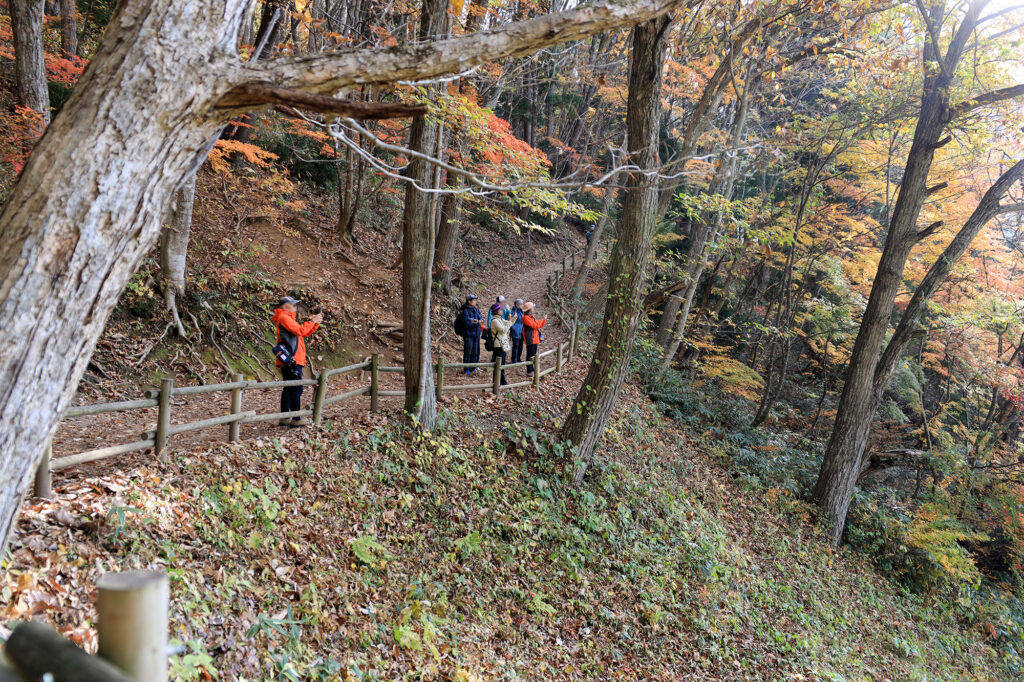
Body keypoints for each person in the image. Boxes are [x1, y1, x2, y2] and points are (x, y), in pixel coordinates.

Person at [271, 296, 322, 427]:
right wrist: (312, 321)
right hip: (291, 360)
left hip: (293, 359)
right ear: (284, 306)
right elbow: (301, 330)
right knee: (295, 388)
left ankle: (286, 417)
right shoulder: (284, 318)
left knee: (290, 388)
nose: (295, 307)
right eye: (292, 304)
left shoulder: (288, 318)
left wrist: (315, 323)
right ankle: (296, 418)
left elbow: (302, 333)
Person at [456, 294, 484, 375]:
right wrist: (477, 322)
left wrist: (480, 320)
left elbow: (480, 318)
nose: (475, 302)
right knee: (468, 352)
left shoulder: (475, 309)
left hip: (476, 334)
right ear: (469, 301)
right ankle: (466, 369)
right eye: (474, 300)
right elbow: (467, 323)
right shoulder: (465, 311)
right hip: (468, 335)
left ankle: (473, 368)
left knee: (475, 352)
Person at [490, 310, 514, 386]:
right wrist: (509, 322)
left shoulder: (500, 319)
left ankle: (502, 381)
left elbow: (509, 324)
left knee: (502, 364)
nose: (501, 311)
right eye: (500, 310)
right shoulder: (495, 321)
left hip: (502, 345)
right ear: (496, 311)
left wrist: (513, 318)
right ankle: (496, 382)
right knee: (498, 364)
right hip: (498, 345)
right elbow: (503, 330)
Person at [522, 302, 546, 375]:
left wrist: (542, 320)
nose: (534, 309)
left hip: (534, 338)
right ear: (529, 310)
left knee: (533, 354)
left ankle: (531, 369)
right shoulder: (526, 318)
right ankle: (529, 370)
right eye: (532, 308)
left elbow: (537, 325)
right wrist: (543, 319)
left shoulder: (531, 317)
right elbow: (535, 325)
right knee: (530, 355)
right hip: (531, 339)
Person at [509, 298, 525, 364]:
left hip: (521, 331)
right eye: (521, 304)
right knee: (515, 346)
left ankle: (518, 358)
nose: (522, 305)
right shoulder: (512, 312)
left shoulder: (521, 311)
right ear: (517, 305)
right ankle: (514, 359)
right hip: (515, 331)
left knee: (520, 345)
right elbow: (510, 321)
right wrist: (513, 329)